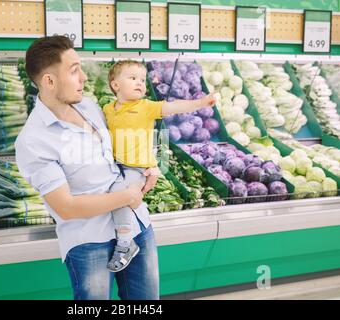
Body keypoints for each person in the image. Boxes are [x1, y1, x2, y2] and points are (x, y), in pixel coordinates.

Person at [15, 36, 160, 300]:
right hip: (89, 239)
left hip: (135, 224)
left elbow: (124, 143)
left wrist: (150, 164)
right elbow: (66, 207)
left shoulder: (88, 106)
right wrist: (127, 196)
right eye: (74, 71)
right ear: (49, 81)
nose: (83, 77)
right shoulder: (33, 140)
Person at [103, 61, 216, 272]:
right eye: (133, 78)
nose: (140, 83)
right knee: (114, 197)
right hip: (115, 166)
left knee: (121, 197)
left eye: (142, 80)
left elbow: (174, 106)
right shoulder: (108, 109)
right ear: (115, 85)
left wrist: (200, 102)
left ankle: (126, 244)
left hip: (137, 169)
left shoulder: (146, 107)